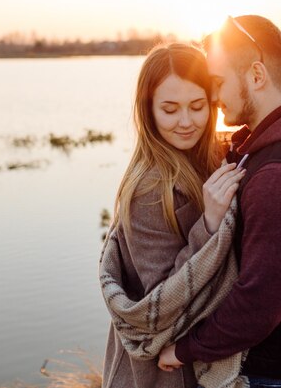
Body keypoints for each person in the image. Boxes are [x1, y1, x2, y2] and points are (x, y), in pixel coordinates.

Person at [158, 15, 281, 388]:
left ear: (256, 76)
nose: (213, 97)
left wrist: (184, 350)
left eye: (219, 83)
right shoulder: (274, 141)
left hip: (271, 371)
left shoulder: (280, 177)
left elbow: (258, 305)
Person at [99, 43, 246, 388]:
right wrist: (209, 224)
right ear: (148, 111)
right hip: (161, 374)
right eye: (169, 109)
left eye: (197, 107)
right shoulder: (149, 189)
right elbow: (163, 302)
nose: (185, 122)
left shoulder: (212, 156)